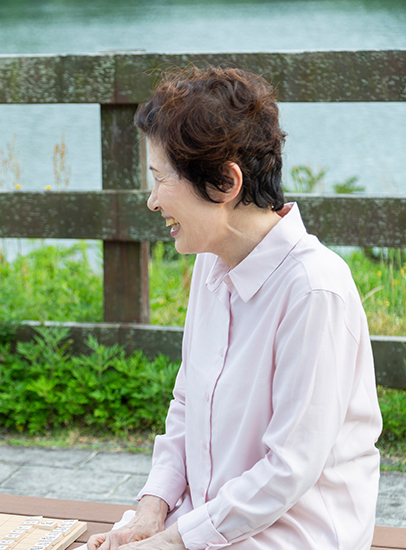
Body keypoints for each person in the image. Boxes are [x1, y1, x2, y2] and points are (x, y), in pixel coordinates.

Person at [87, 66, 382, 549]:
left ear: (226, 182)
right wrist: (152, 508)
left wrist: (171, 542)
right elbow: (187, 403)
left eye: (161, 179)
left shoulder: (314, 290)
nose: (152, 200)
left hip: (293, 535)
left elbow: (288, 468)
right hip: (210, 521)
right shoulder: (211, 262)